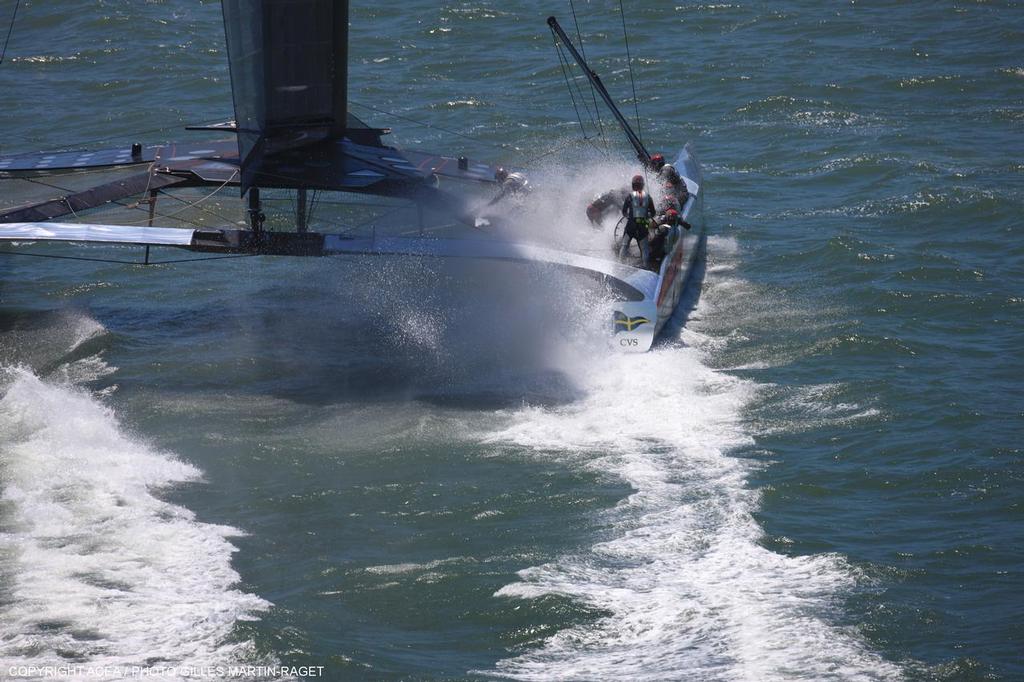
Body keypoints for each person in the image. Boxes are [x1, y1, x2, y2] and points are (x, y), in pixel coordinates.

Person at [620, 174, 655, 266]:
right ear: (643, 185)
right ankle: (646, 267)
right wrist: (647, 216)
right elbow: (653, 213)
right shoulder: (648, 197)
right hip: (643, 225)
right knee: (644, 249)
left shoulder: (629, 196)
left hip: (630, 226)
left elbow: (624, 211)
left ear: (633, 185)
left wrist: (629, 217)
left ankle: (620, 264)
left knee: (624, 245)